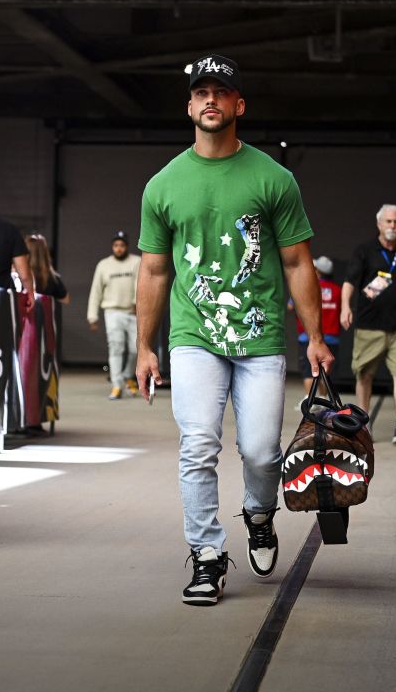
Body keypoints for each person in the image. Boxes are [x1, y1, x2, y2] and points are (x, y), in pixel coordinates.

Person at [136, 53, 334, 606]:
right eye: (200, 93)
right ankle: (206, 553)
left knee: (261, 451)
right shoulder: (164, 185)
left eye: (221, 93)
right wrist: (144, 346)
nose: (210, 101)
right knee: (198, 444)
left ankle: (259, 512)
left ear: (238, 105)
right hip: (194, 336)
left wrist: (315, 336)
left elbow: (297, 262)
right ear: (189, 106)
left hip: (261, 336)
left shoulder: (273, 178)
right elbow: (153, 270)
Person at [339, 204, 396, 445]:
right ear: (379, 224)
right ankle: (364, 424)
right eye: (388, 222)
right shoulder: (364, 250)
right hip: (369, 326)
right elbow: (350, 281)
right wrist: (345, 306)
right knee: (364, 374)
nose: (392, 226)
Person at [87, 231, 141, 399]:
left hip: (133, 312)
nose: (119, 248)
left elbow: (141, 283)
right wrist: (92, 316)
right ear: (112, 247)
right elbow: (96, 290)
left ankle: (126, 376)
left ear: (127, 247)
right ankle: (117, 385)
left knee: (135, 349)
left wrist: (136, 302)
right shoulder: (103, 265)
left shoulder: (137, 262)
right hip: (112, 312)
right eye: (116, 245)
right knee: (116, 348)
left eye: (122, 245)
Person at [290, 255, 342, 395]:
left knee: (309, 372)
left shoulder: (307, 287)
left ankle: (309, 400)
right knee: (326, 372)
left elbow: (290, 306)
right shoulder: (338, 290)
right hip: (332, 337)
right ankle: (324, 399)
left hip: (308, 336)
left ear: (317, 271)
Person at [25, 233, 69, 303]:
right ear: (45, 253)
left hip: (25, 312)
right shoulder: (52, 277)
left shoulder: (21, 275)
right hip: (44, 312)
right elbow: (65, 300)